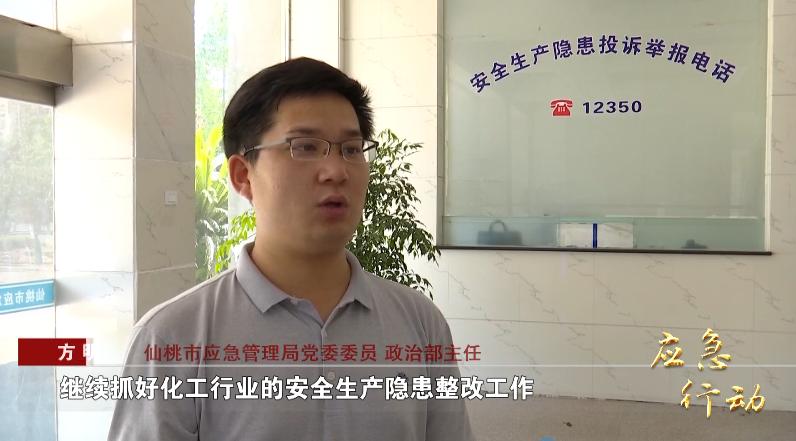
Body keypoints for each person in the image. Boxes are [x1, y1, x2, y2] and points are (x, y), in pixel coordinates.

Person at [107, 57, 475, 440]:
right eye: (305, 147)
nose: (336, 171)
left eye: (352, 149)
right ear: (243, 175)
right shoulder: (171, 339)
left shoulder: (420, 323)